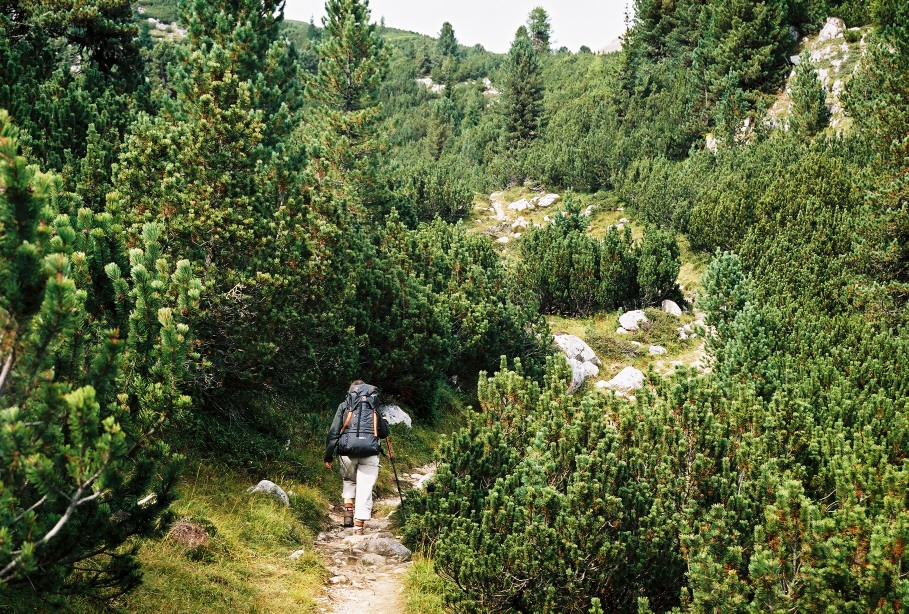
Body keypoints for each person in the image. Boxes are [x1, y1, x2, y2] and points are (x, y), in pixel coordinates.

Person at [324, 380, 389, 532]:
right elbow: (384, 433)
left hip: (347, 450)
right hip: (370, 451)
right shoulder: (373, 406)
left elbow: (334, 432)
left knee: (349, 480)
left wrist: (328, 456)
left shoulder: (344, 405)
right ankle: (358, 528)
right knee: (365, 488)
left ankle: (348, 515)